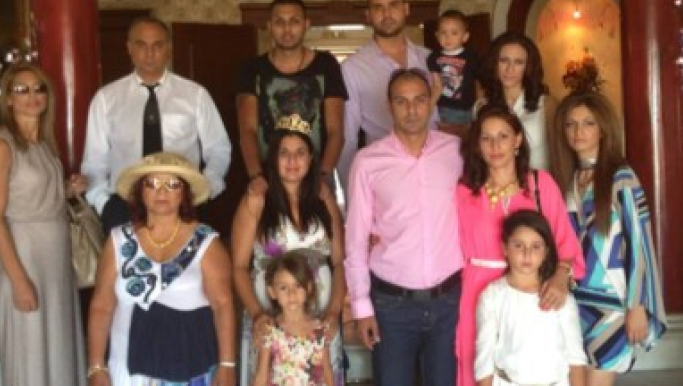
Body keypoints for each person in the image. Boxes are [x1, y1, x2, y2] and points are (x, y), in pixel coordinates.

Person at [345, 68, 462, 386]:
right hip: (391, 305)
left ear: (430, 102)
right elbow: (355, 239)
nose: (412, 110)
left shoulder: (456, 152)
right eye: (402, 101)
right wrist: (361, 306)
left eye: (420, 100)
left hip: (449, 302)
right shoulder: (367, 162)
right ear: (389, 105)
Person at [456, 104, 584, 386]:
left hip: (531, 287)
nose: (495, 146)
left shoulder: (540, 184)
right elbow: (444, 240)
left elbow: (565, 242)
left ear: (517, 140)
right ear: (477, 145)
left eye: (503, 136)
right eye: (486, 138)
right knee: (478, 363)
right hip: (477, 289)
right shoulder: (465, 191)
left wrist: (560, 277)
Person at [87, 152, 236, 386]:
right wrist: (96, 366)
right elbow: (101, 307)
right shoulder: (119, 239)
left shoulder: (206, 242)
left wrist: (227, 364)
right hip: (125, 371)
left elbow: (223, 305)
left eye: (172, 184)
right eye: (152, 183)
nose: (162, 191)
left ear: (184, 192)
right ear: (140, 190)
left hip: (187, 371)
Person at [0, 62, 86, 386]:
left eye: (39, 88)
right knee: (31, 351)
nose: (32, 96)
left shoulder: (44, 144)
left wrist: (68, 189)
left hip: (56, 259)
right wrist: (19, 281)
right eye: (21, 90)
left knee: (58, 344)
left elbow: (32, 195)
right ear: (8, 99)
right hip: (25, 256)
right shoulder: (0, 146)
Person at [553, 91, 667, 386]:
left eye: (588, 123)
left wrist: (637, 305)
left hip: (613, 302)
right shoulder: (567, 180)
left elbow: (639, 244)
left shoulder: (621, 177)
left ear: (603, 129)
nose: (578, 131)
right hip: (574, 300)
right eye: (571, 124)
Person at [82, 16, 231, 232]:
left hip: (182, 203)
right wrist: (104, 204)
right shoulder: (106, 99)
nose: (150, 53)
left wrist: (204, 191)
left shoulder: (195, 95)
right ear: (129, 48)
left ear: (169, 48)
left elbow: (218, 148)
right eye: (141, 45)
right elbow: (94, 160)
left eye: (157, 45)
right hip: (125, 206)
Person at [232, 115, 345, 386]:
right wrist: (258, 315)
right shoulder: (257, 200)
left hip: (319, 315)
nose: (292, 161)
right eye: (284, 153)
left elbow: (340, 262)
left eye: (300, 153)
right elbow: (238, 266)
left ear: (311, 158)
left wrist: (333, 311)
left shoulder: (323, 198)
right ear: (273, 158)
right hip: (270, 314)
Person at [236, 0, 347, 195]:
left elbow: (336, 131)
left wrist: (323, 176)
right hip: (267, 179)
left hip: (316, 178)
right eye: (280, 22)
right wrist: (256, 176)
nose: (287, 29)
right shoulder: (252, 69)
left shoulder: (326, 65)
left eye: (294, 21)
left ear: (306, 24)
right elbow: (247, 131)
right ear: (269, 26)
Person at [338, 0, 436, 189]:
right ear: (368, 15)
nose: (387, 13)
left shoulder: (430, 60)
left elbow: (442, 117)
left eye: (393, 5)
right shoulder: (353, 68)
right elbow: (348, 139)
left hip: (434, 172)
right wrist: (352, 193)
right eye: (378, 7)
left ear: (406, 9)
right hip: (384, 179)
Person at [475, 210, 586, 386]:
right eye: (518, 245)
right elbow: (484, 360)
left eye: (536, 247)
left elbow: (576, 359)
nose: (527, 254)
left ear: (546, 251)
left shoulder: (560, 298)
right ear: (505, 248)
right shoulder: (492, 296)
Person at [254, 251, 334, 386]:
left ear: (309, 288)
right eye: (283, 288)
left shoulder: (320, 329)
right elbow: (261, 374)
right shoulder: (270, 331)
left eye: (298, 286)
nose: (292, 294)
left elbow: (327, 371)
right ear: (272, 292)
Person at [477, 32, 550, 170]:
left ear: (529, 66)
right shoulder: (481, 107)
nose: (509, 69)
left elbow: (562, 155)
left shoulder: (547, 105)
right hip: (497, 182)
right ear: (494, 63)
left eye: (518, 62)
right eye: (504, 60)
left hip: (539, 181)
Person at [428, 9, 479, 129]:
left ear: (465, 36)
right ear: (437, 35)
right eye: (443, 33)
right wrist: (429, 106)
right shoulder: (434, 57)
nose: (448, 37)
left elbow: (478, 82)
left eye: (454, 33)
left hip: (469, 108)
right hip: (446, 108)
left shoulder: (472, 57)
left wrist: (479, 105)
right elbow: (437, 85)